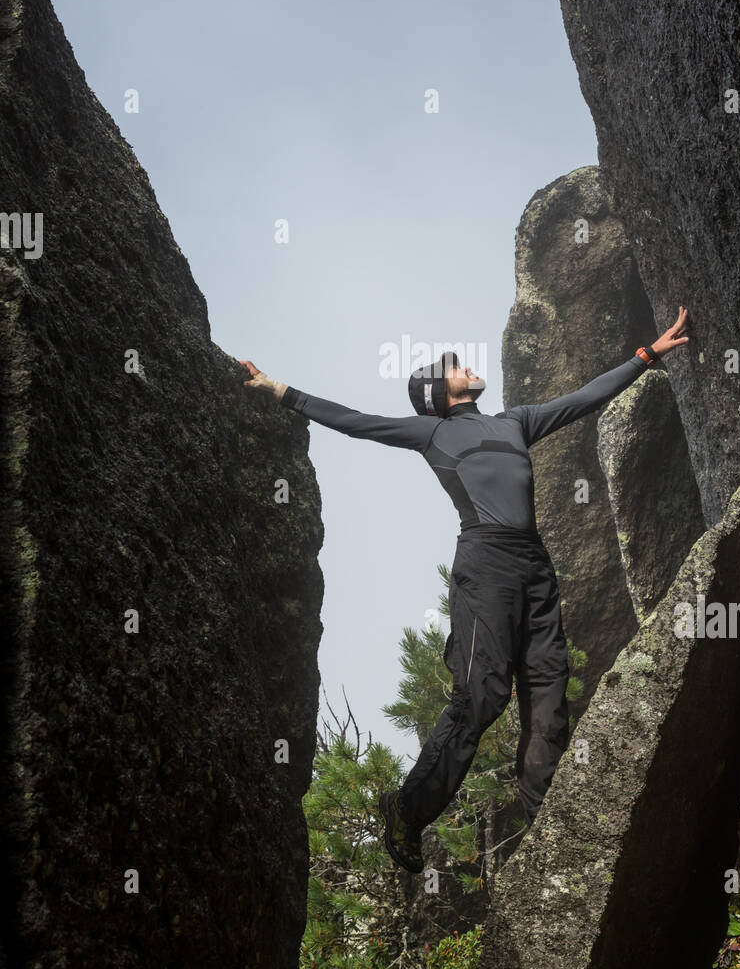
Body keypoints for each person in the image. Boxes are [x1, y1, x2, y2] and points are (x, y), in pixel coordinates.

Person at [240, 305, 689, 873]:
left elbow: (583, 399)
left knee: (550, 701)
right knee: (482, 695)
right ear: (436, 391)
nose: (463, 366)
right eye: (452, 366)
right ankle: (406, 809)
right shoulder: (432, 431)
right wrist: (281, 391)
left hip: (534, 567)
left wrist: (647, 354)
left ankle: (545, 841)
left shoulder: (515, 421)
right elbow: (355, 420)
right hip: (486, 564)